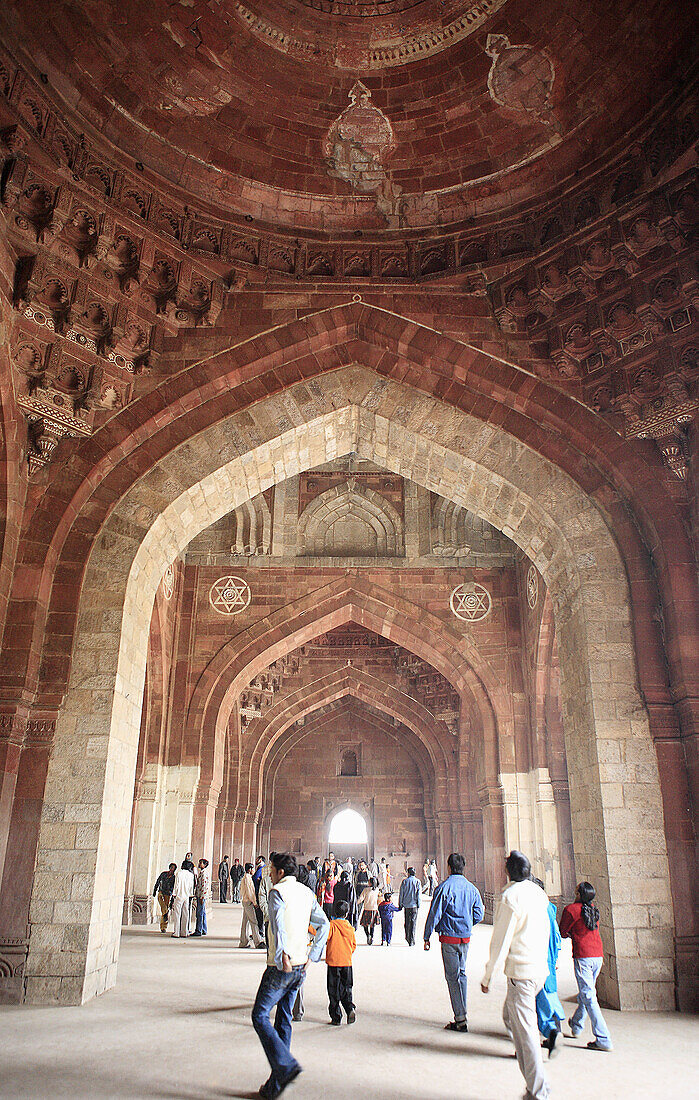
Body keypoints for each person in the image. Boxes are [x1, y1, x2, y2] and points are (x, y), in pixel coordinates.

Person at [251, 852, 329, 1099]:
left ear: (280, 872)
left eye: (271, 871)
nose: (270, 875)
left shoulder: (277, 892)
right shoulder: (307, 893)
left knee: (260, 1015)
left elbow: (277, 925)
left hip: (282, 967)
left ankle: (285, 1065)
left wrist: (282, 954)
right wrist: (312, 955)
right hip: (299, 967)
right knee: (283, 1019)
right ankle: (275, 1085)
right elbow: (324, 923)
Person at [481, 851, 551, 1100]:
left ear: (508, 871)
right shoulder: (538, 893)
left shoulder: (510, 896)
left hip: (522, 973)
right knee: (511, 1018)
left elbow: (500, 940)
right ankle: (534, 1084)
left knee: (527, 1032)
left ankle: (538, 1091)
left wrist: (488, 976)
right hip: (538, 969)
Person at [424, 852, 484, 1031]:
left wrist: (427, 936)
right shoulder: (472, 889)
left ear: (449, 867)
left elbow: (435, 914)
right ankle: (462, 1012)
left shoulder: (444, 888)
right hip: (465, 938)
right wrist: (466, 923)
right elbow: (479, 914)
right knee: (462, 974)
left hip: (449, 938)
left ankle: (460, 1018)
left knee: (452, 977)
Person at [560, 881, 613, 1052]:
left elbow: (562, 932)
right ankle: (576, 1024)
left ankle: (603, 1038)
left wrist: (571, 933)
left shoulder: (571, 910)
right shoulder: (593, 909)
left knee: (589, 996)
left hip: (583, 956)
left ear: (577, 893)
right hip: (598, 954)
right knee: (587, 992)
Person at [532, 876, 565, 1056]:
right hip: (548, 957)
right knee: (548, 992)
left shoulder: (538, 910)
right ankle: (552, 1030)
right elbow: (557, 935)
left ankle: (552, 1032)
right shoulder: (549, 909)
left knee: (541, 995)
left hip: (539, 959)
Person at [326, 900, 357, 1025]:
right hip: (347, 963)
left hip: (334, 963)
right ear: (347, 913)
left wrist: (309, 925)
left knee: (333, 990)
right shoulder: (350, 928)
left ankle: (336, 1017)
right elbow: (353, 945)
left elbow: (322, 934)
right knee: (347, 988)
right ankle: (349, 1008)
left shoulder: (332, 926)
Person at [240, 862, 265, 948]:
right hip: (248, 902)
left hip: (246, 901)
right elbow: (250, 892)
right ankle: (258, 942)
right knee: (253, 921)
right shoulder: (247, 878)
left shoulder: (246, 877)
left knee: (245, 923)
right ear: (250, 869)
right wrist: (254, 902)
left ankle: (243, 942)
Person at [398, 866, 421, 946]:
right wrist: (419, 904)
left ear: (408, 873)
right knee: (413, 922)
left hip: (407, 906)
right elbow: (418, 895)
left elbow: (401, 894)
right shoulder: (418, 882)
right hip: (414, 906)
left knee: (407, 922)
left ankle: (408, 937)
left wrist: (400, 904)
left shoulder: (404, 882)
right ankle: (412, 939)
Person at [170, 861, 195, 938]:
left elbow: (176, 885)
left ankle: (176, 932)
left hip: (179, 895)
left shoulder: (179, 874)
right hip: (186, 896)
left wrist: (174, 894)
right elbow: (191, 886)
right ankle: (184, 932)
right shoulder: (191, 875)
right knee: (185, 914)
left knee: (177, 914)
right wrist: (191, 894)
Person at [153, 863, 177, 933]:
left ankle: (163, 927)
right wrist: (155, 890)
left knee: (165, 910)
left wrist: (172, 899)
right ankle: (165, 916)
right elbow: (158, 881)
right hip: (161, 892)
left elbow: (173, 888)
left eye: (173, 868)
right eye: (171, 867)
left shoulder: (174, 877)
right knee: (165, 909)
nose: (172, 869)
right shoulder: (163, 874)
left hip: (168, 894)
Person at [192, 857, 211, 936]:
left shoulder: (204, 873)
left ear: (205, 864)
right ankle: (203, 929)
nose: (199, 864)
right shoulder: (202, 872)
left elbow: (204, 886)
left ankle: (198, 930)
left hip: (201, 896)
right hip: (201, 895)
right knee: (202, 913)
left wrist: (202, 897)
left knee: (199, 913)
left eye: (201, 863)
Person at [358, 877, 380, 945]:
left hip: (367, 909)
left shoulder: (366, 890)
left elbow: (361, 898)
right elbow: (379, 899)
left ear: (370, 883)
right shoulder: (377, 890)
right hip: (374, 909)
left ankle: (368, 935)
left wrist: (356, 903)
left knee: (364, 924)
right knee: (372, 925)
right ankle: (371, 936)